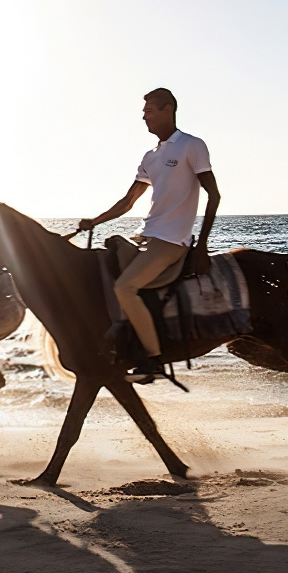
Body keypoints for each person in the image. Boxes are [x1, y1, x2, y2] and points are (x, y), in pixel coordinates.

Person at [76, 87, 221, 383]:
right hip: (146, 235)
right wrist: (95, 221)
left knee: (125, 288)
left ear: (168, 109)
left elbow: (214, 195)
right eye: (143, 112)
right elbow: (128, 202)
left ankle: (153, 360)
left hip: (172, 240)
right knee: (103, 273)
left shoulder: (191, 146)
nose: (144, 117)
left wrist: (202, 246)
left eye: (150, 111)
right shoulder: (150, 156)